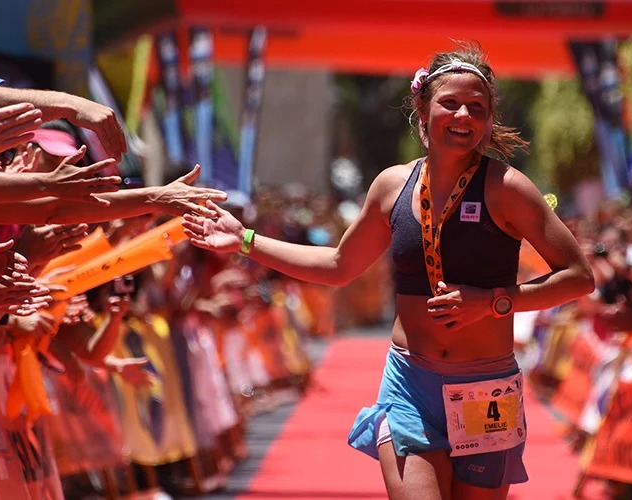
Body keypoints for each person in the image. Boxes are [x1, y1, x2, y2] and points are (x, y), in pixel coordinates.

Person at [182, 41, 594, 500]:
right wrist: (244, 239)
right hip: (410, 384)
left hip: (486, 388)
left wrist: (494, 302)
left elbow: (579, 276)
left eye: (477, 107)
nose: (463, 115)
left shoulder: (507, 188)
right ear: (423, 107)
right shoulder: (391, 186)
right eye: (450, 103)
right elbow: (339, 265)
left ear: (488, 118)